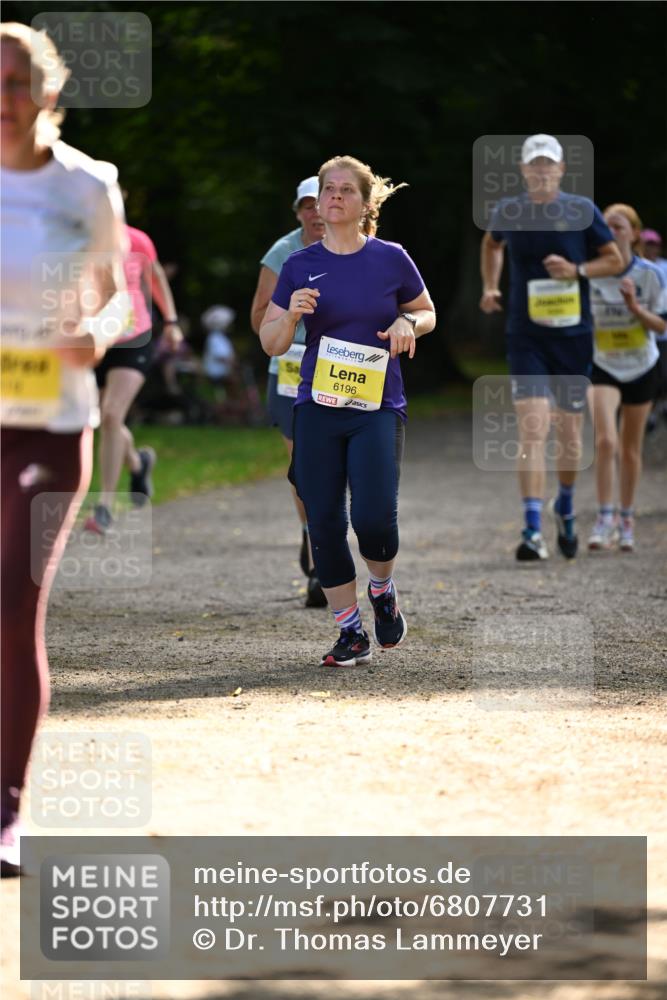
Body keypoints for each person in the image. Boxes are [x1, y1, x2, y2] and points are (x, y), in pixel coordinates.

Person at [1, 23, 126, 874]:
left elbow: (122, 300)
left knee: (12, 599)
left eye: (14, 82)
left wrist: (94, 330)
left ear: (47, 91)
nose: (1, 100)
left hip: (48, 417)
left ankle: (7, 809)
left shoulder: (87, 186)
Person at [260, 155, 435, 666]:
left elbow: (426, 311)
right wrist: (291, 314)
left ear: (364, 204)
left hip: (377, 406)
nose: (333, 197)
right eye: (326, 190)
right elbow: (271, 342)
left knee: (376, 519)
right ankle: (349, 632)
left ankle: (381, 590)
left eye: (345, 190)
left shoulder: (391, 258)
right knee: (323, 522)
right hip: (316, 405)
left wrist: (407, 324)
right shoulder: (297, 265)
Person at [480, 133, 623, 561]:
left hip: (573, 338)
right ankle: (531, 529)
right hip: (526, 335)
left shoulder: (582, 211)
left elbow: (614, 259)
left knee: (569, 435)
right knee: (533, 427)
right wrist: (490, 286)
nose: (541, 170)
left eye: (549, 163)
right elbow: (491, 243)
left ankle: (564, 503)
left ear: (561, 169)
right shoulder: (510, 211)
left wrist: (576, 270)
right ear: (524, 170)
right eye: (534, 163)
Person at [251, 177, 327, 607]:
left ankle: (322, 539)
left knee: (339, 461)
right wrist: (290, 321)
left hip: (343, 366)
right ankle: (317, 556)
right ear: (297, 211)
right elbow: (258, 318)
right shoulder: (282, 254)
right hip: (291, 366)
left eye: (323, 203)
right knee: (303, 461)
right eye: (307, 206)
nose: (316, 213)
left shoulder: (364, 247)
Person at [84, 223, 184, 534]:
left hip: (133, 334)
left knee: (113, 414)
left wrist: (170, 321)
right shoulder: (76, 234)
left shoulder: (137, 238)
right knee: (104, 417)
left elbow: (155, 279)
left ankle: (104, 508)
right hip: (92, 337)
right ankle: (138, 464)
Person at [587, 205, 667, 551]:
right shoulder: (591, 272)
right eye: (606, 226)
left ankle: (627, 519)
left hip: (642, 364)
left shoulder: (650, 274)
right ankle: (604, 518)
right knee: (606, 441)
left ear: (634, 233)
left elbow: (662, 325)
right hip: (602, 363)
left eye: (619, 226)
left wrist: (635, 308)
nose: (612, 231)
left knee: (630, 448)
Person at [202, 305, 237, 385]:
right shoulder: (214, 337)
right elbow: (220, 356)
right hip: (217, 372)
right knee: (235, 379)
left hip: (223, 371)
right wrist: (234, 364)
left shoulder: (221, 336)